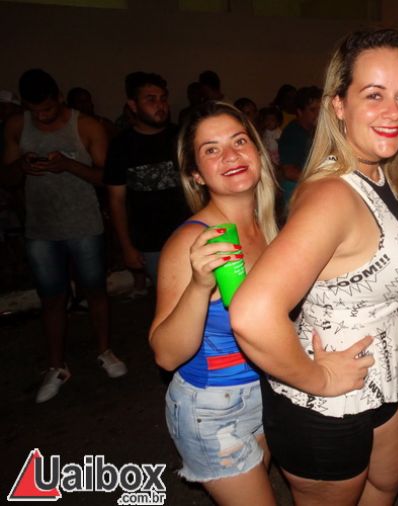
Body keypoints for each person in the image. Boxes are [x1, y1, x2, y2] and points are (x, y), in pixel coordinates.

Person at [230, 28, 398, 505]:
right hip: (323, 404)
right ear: (338, 104)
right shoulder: (333, 196)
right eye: (374, 94)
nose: (394, 112)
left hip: (373, 380)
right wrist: (319, 379)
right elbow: (252, 313)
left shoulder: (377, 172)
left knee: (393, 471)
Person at [148, 101, 278, 505]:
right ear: (196, 174)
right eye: (211, 149)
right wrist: (199, 286)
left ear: (257, 151)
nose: (231, 155)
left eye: (239, 141)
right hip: (213, 406)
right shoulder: (193, 240)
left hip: (265, 390)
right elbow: (166, 355)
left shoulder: (268, 227)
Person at [2, 69, 127, 403]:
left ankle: (105, 351)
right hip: (41, 228)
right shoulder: (17, 126)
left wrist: (69, 165)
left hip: (84, 224)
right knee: (52, 298)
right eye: (35, 111)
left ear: (59, 97)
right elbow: (7, 179)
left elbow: (107, 177)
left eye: (47, 109)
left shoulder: (85, 126)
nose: (42, 116)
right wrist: (22, 166)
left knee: (95, 291)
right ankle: (56, 365)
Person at [104, 72, 189, 290]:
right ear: (133, 105)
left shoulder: (182, 137)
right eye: (151, 100)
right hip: (151, 242)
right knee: (169, 298)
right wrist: (126, 246)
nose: (160, 105)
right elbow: (116, 200)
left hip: (191, 232)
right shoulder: (121, 146)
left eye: (163, 99)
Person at [276, 85, 322, 208]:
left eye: (320, 109)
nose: (318, 114)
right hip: (296, 191)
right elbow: (289, 172)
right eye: (313, 110)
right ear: (300, 112)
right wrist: (321, 178)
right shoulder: (292, 133)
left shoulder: (316, 130)